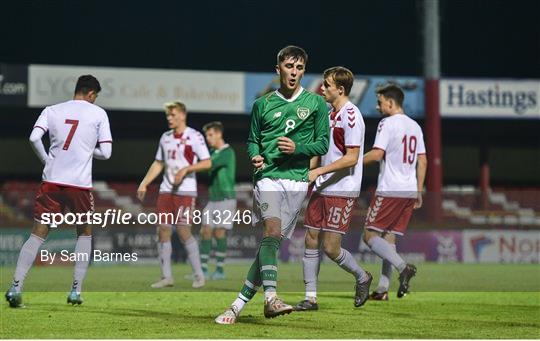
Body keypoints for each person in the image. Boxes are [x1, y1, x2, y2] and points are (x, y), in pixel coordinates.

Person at [215, 45, 329, 324]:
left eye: (299, 68)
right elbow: (253, 139)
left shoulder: (316, 104)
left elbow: (323, 143)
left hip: (298, 181)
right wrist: (254, 155)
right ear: (278, 69)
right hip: (268, 177)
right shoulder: (262, 104)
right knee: (272, 230)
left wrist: (298, 147)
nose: (294, 73)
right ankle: (271, 298)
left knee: (271, 242)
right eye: (289, 67)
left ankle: (237, 305)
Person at [5, 75, 112, 308]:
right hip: (80, 185)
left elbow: (34, 138)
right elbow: (106, 153)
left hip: (52, 181)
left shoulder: (51, 110)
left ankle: (15, 287)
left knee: (37, 233)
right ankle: (75, 291)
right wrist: (85, 150)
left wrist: (47, 160)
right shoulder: (98, 114)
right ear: (92, 94)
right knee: (84, 232)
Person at [294, 66, 372, 311]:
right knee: (310, 237)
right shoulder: (328, 114)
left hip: (342, 189)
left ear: (340, 89)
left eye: (327, 85)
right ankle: (310, 297)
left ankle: (362, 276)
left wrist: (317, 172)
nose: (322, 88)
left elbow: (351, 158)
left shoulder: (352, 116)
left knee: (330, 248)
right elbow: (319, 150)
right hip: (322, 187)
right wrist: (306, 173)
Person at [362, 83, 427, 300]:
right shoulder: (415, 126)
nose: (378, 107)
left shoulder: (387, 123)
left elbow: (377, 154)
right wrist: (418, 191)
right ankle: (382, 290)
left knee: (369, 236)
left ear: (391, 102)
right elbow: (423, 161)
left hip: (390, 189)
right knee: (388, 240)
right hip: (408, 191)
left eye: (380, 103)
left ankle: (403, 267)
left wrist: (352, 161)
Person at [137, 101, 211, 289]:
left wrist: (186, 169)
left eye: (173, 115)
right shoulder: (165, 137)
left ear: (183, 115)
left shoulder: (194, 136)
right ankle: (166, 277)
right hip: (166, 190)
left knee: (184, 231)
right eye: (168, 116)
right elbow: (158, 163)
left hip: (185, 191)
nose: (169, 119)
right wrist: (145, 183)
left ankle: (199, 275)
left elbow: (207, 162)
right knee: (162, 230)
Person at [199, 121, 236, 280]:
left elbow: (208, 165)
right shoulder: (212, 152)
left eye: (210, 134)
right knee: (205, 230)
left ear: (219, 134)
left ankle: (220, 269)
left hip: (226, 199)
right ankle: (203, 270)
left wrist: (187, 168)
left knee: (220, 232)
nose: (208, 138)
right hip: (213, 199)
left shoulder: (227, 152)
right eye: (206, 135)